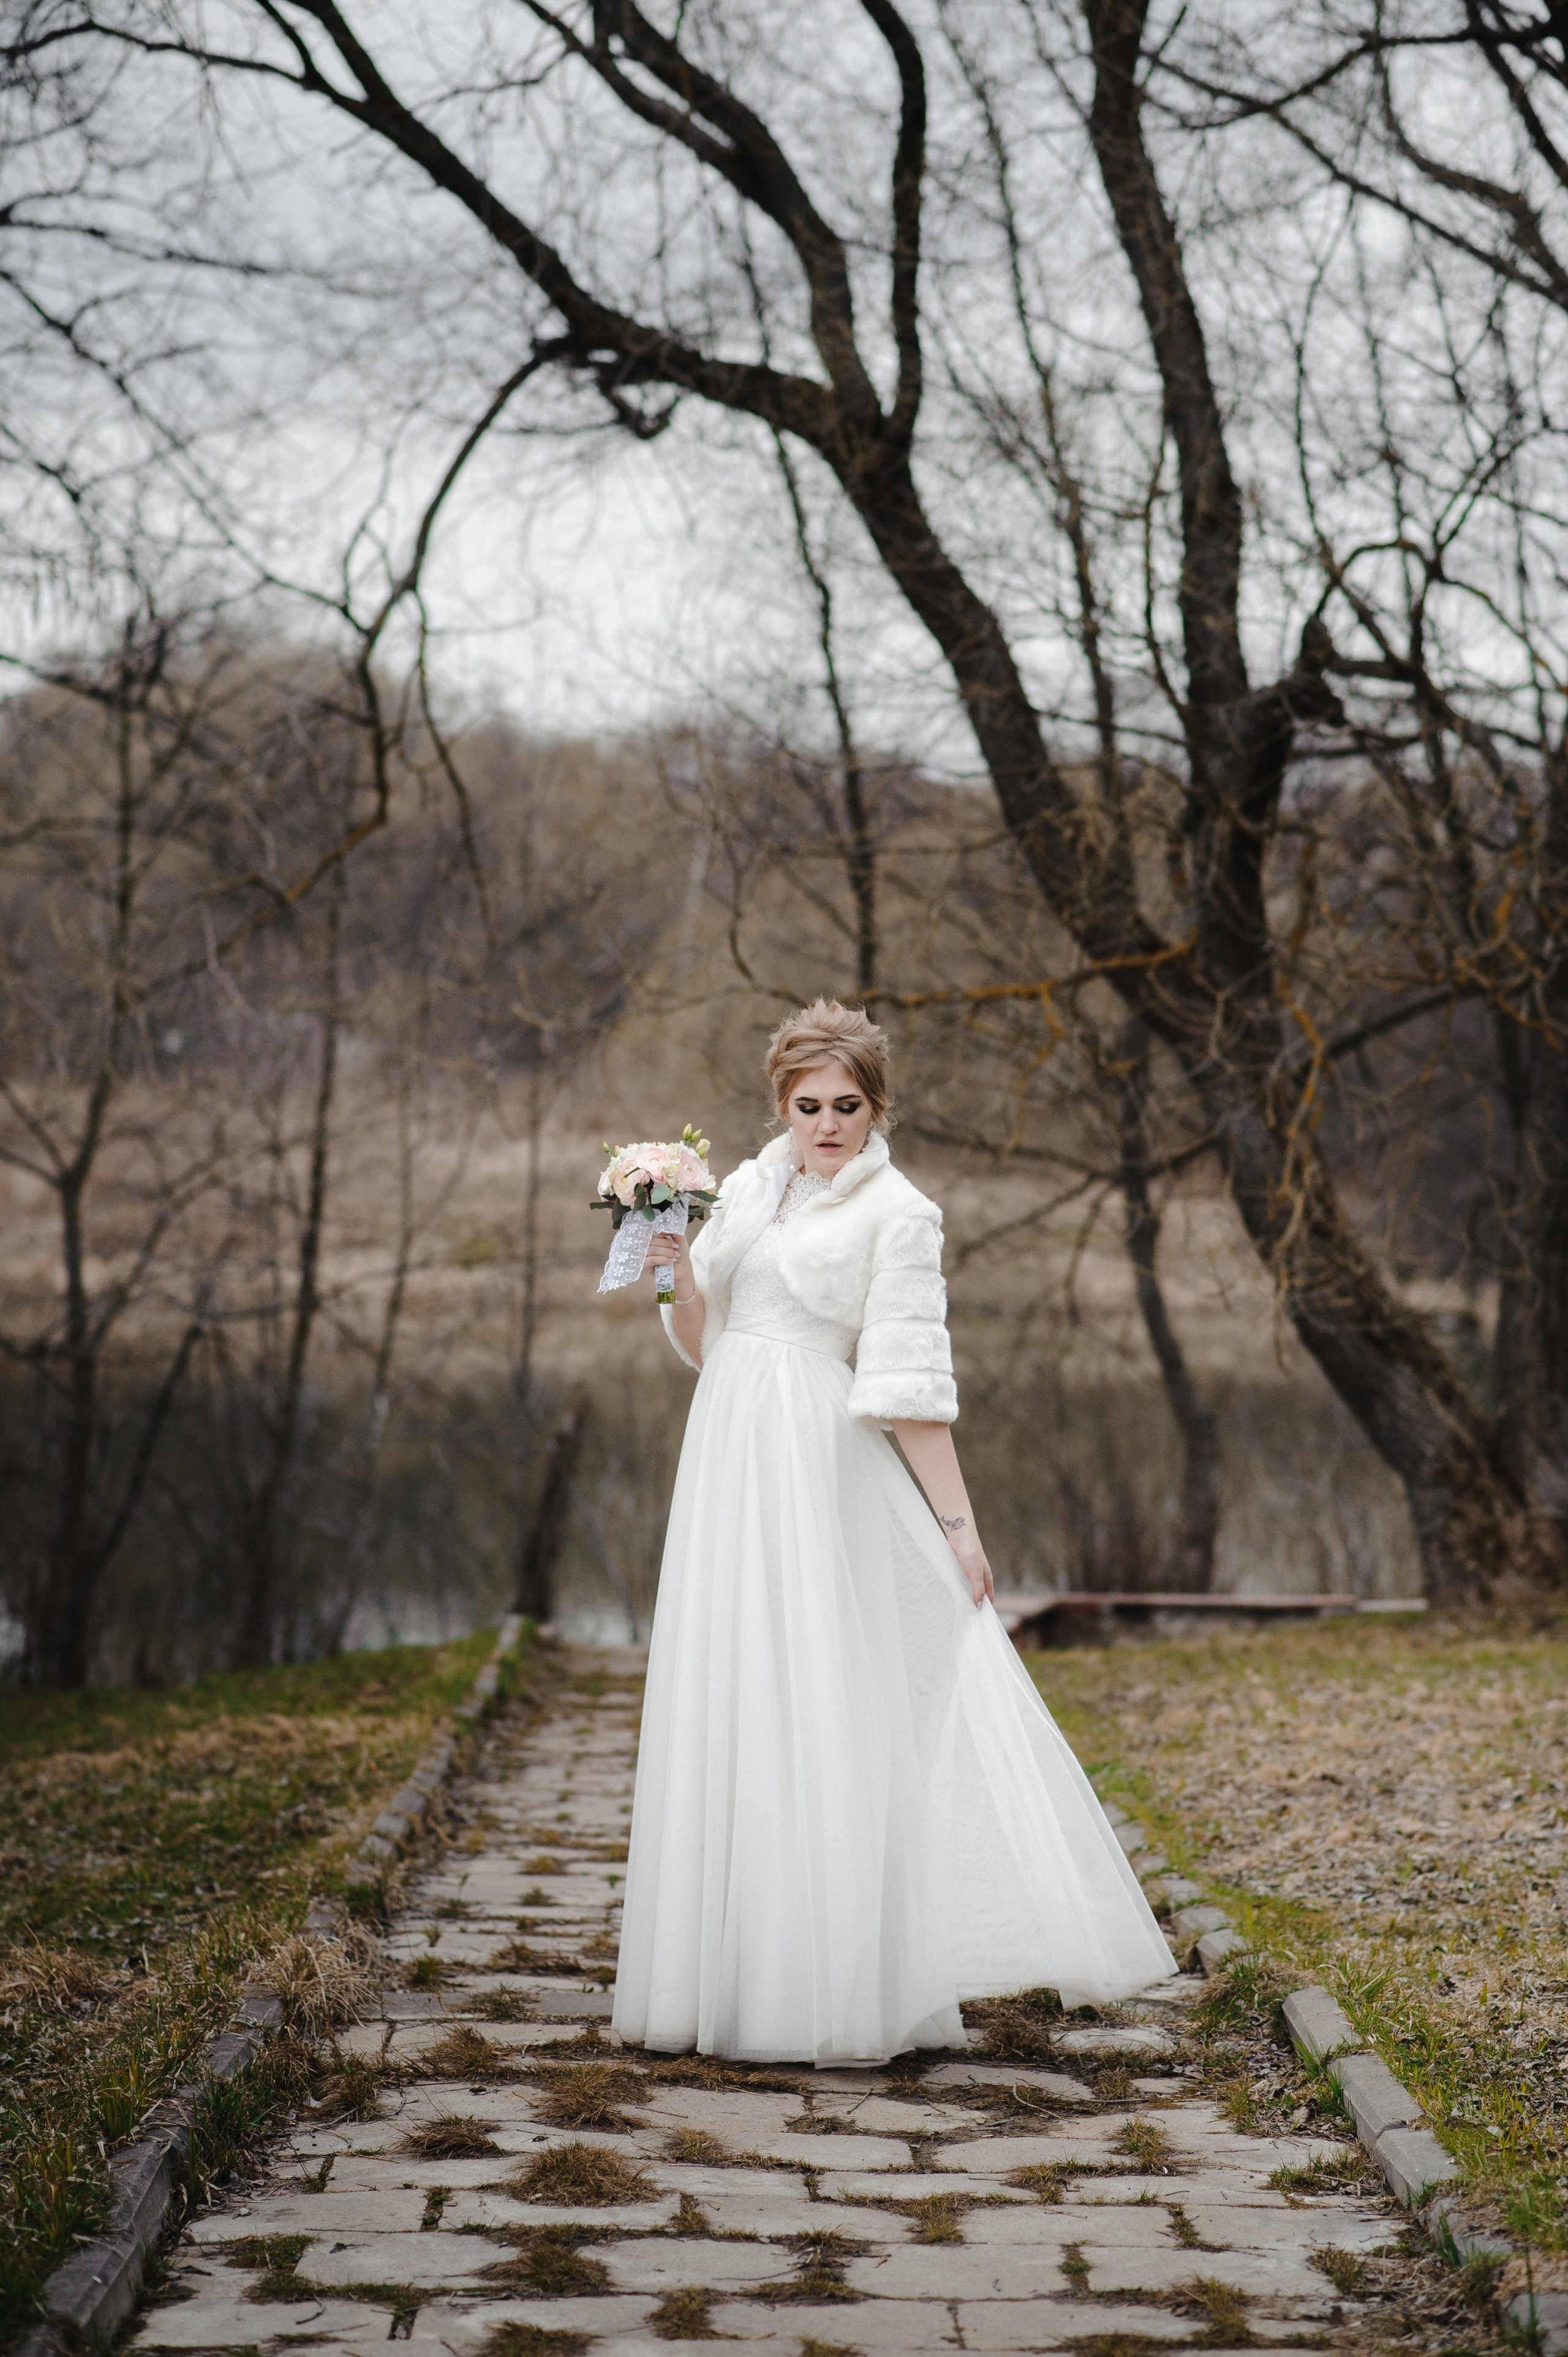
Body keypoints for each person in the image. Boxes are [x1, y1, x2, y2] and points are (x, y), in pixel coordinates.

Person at [611, 999, 1174, 2064]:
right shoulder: (750, 1184)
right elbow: (701, 1339)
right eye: (809, 1106)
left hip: (815, 1459)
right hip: (727, 1449)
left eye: (847, 1106)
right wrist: (667, 1254)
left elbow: (911, 1386)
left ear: (877, 1107)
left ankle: (823, 1986)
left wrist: (959, 1527)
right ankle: (720, 1976)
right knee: (733, 1684)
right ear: (782, 1106)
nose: (827, 1125)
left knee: (819, 1695)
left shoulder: (901, 1214)